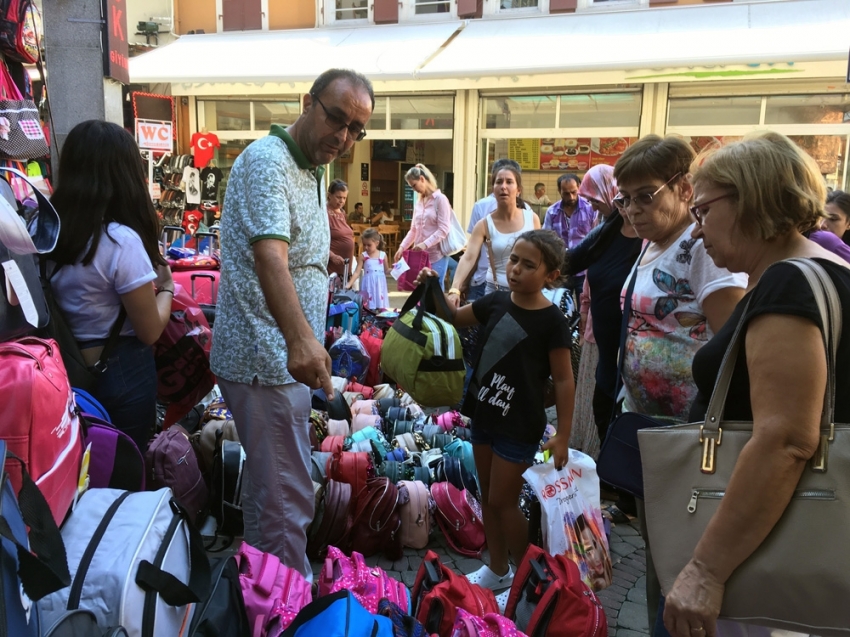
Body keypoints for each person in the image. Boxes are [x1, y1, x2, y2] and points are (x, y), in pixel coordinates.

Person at [663, 132, 850, 637]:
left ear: (750, 198)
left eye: (701, 212)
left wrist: (705, 570)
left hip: (758, 556)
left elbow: (786, 439)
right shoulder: (830, 269)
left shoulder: (788, 281)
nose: (696, 232)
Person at [210, 68, 374, 579]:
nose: (343, 137)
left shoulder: (312, 166)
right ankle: (290, 604)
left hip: (283, 362)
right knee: (288, 493)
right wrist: (302, 340)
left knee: (273, 486)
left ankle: (264, 594)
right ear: (308, 102)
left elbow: (290, 245)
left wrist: (319, 258)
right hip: (266, 356)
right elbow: (269, 259)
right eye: (336, 119)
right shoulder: (267, 162)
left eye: (356, 130)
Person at [612, 135, 748, 633]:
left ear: (683, 187)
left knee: (679, 561)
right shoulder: (651, 242)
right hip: (652, 427)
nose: (634, 209)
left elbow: (732, 341)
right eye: (625, 198)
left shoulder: (700, 247)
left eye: (646, 195)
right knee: (660, 556)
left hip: (691, 436)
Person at [419, 229, 575, 591]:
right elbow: (454, 318)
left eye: (529, 265)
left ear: (550, 275)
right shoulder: (496, 302)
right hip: (485, 415)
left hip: (520, 425)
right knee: (487, 494)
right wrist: (432, 285)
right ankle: (498, 568)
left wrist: (564, 434)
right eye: (514, 260)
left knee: (504, 501)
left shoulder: (552, 321)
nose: (516, 269)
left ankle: (527, 583)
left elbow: (565, 381)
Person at [47, 120, 173, 453]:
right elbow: (150, 330)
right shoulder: (119, 241)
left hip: (59, 370)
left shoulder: (40, 231)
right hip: (120, 373)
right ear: (124, 174)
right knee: (121, 473)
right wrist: (168, 289)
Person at [566, 165, 627, 458]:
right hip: (599, 342)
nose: (590, 205)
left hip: (625, 355)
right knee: (599, 408)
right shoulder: (605, 229)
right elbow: (577, 268)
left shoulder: (645, 239)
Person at [449, 164, 540, 300]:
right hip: (495, 292)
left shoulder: (531, 218)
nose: (503, 186)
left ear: (518, 190)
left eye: (509, 182)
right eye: (499, 182)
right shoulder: (484, 225)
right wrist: (455, 289)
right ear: (493, 189)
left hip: (526, 291)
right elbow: (468, 257)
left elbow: (540, 256)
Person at [395, 164, 452, 283]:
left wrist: (424, 244)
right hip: (420, 256)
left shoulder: (440, 199)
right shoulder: (419, 202)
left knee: (435, 290)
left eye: (414, 185)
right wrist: (402, 247)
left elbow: (443, 229)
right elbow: (413, 230)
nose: (413, 189)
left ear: (422, 179)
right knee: (420, 289)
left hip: (436, 255)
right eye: (411, 187)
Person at [544, 174, 596, 296]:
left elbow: (596, 239)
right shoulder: (552, 212)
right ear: (559, 191)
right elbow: (546, 241)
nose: (571, 197)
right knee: (559, 307)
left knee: (583, 308)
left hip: (584, 271)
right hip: (561, 271)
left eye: (574, 192)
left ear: (579, 187)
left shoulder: (590, 209)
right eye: (566, 193)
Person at [347, 227, 390, 310]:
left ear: (377, 243)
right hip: (368, 285)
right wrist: (349, 284)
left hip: (379, 286)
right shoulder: (363, 256)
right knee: (368, 307)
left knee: (380, 307)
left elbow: (386, 270)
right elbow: (357, 272)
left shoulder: (383, 255)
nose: (366, 247)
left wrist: (396, 269)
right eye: (364, 245)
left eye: (369, 245)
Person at [326, 179, 355, 279]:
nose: (342, 201)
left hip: (346, 268)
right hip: (332, 267)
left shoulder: (342, 213)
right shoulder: (324, 213)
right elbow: (318, 241)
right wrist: (332, 256)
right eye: (338, 197)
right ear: (329, 195)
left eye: (344, 198)